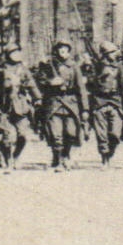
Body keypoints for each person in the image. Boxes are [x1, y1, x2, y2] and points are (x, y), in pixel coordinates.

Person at [37, 39, 88, 172]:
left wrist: (85, 109)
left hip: (71, 103)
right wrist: (50, 82)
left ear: (69, 51)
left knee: (71, 133)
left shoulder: (74, 66)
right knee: (56, 134)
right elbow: (39, 81)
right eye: (60, 48)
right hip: (54, 102)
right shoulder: (48, 65)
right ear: (56, 50)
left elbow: (81, 88)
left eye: (65, 49)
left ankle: (65, 154)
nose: (63, 51)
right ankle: (58, 160)